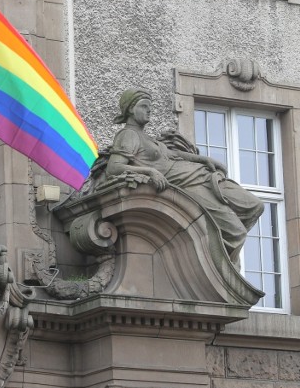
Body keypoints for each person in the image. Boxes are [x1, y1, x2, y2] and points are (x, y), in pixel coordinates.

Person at [105, 88, 264, 260]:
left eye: (150, 106)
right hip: (190, 187)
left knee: (255, 206)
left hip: (206, 177)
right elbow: (114, 168)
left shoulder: (149, 139)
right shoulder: (128, 135)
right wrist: (150, 171)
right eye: (144, 106)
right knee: (236, 231)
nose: (149, 110)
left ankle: (217, 251)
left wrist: (203, 159)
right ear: (130, 109)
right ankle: (219, 265)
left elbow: (174, 155)